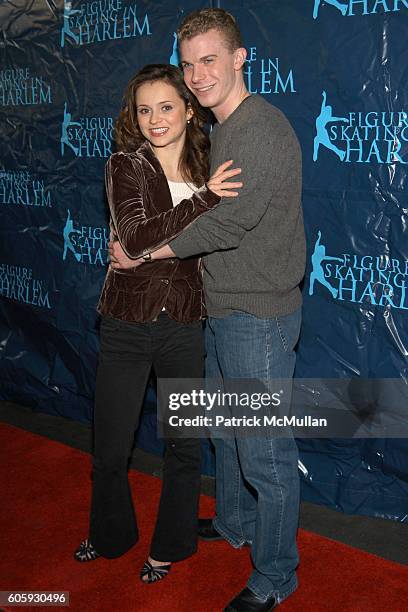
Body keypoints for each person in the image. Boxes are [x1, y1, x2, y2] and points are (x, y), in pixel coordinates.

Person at [111, 9, 306, 611]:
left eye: (209, 60)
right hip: (219, 310)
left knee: (265, 454)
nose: (196, 75)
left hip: (259, 316)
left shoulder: (261, 128)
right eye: (188, 63)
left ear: (240, 57)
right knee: (223, 432)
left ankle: (276, 577)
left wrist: (145, 253)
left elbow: (231, 221)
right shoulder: (219, 131)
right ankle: (233, 525)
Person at [74, 63, 242, 584]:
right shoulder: (125, 164)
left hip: (185, 323)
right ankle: (109, 534)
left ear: (189, 111)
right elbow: (138, 236)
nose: (155, 119)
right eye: (144, 110)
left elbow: (164, 243)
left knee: (184, 446)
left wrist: (153, 239)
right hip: (127, 322)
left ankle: (170, 546)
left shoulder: (213, 161)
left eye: (166, 107)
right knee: (110, 447)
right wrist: (203, 200)